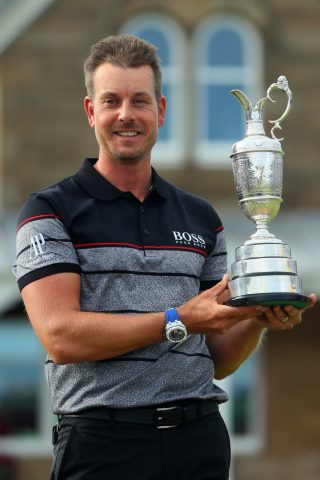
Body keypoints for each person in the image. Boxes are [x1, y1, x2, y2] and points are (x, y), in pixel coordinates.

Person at [13, 35, 316, 480]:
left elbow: (215, 356)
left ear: (161, 111)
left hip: (198, 443)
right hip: (102, 446)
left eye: (140, 100)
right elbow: (62, 336)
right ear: (91, 111)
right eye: (111, 100)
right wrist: (180, 319)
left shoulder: (201, 217)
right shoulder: (49, 211)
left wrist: (255, 319)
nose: (126, 114)